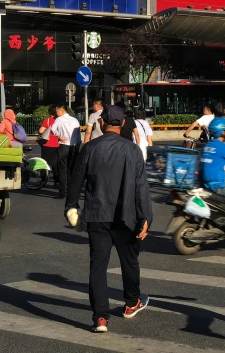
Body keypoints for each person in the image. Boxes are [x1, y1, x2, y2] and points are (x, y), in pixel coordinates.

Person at [65, 105, 152, 333]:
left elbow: (76, 181)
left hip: (97, 215)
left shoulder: (90, 148)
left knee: (98, 266)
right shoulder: (133, 151)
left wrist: (71, 206)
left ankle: (100, 317)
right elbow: (141, 188)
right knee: (129, 261)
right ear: (123, 124)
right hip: (127, 215)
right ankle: (132, 303)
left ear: (101, 123)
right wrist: (145, 217)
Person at [50, 104, 81, 199]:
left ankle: (63, 192)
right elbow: (78, 135)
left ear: (62, 110)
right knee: (71, 169)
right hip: (74, 146)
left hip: (64, 146)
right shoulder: (75, 120)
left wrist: (58, 136)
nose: (56, 113)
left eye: (57, 111)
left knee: (62, 169)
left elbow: (52, 129)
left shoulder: (59, 120)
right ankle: (72, 191)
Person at [38, 105, 61, 186]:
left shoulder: (47, 120)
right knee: (56, 164)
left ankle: (43, 179)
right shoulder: (59, 121)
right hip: (57, 144)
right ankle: (57, 180)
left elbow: (41, 131)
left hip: (47, 144)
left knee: (45, 162)